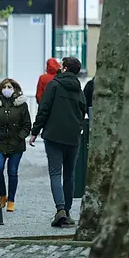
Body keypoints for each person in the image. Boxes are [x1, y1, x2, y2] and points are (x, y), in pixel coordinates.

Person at [30, 57, 87, 227]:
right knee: (69, 175)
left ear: (64, 68)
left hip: (54, 135)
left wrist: (35, 131)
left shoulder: (54, 85)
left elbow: (44, 109)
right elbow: (82, 112)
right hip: (73, 138)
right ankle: (67, 212)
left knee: (55, 173)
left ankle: (60, 209)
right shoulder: (79, 89)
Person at [0, 79, 32, 212]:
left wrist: (19, 137)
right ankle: (2, 195)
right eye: (4, 87)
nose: (7, 89)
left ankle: (11, 200)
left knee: (12, 171)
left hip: (16, 144)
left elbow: (27, 125)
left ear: (15, 89)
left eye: (9, 87)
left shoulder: (21, 105)